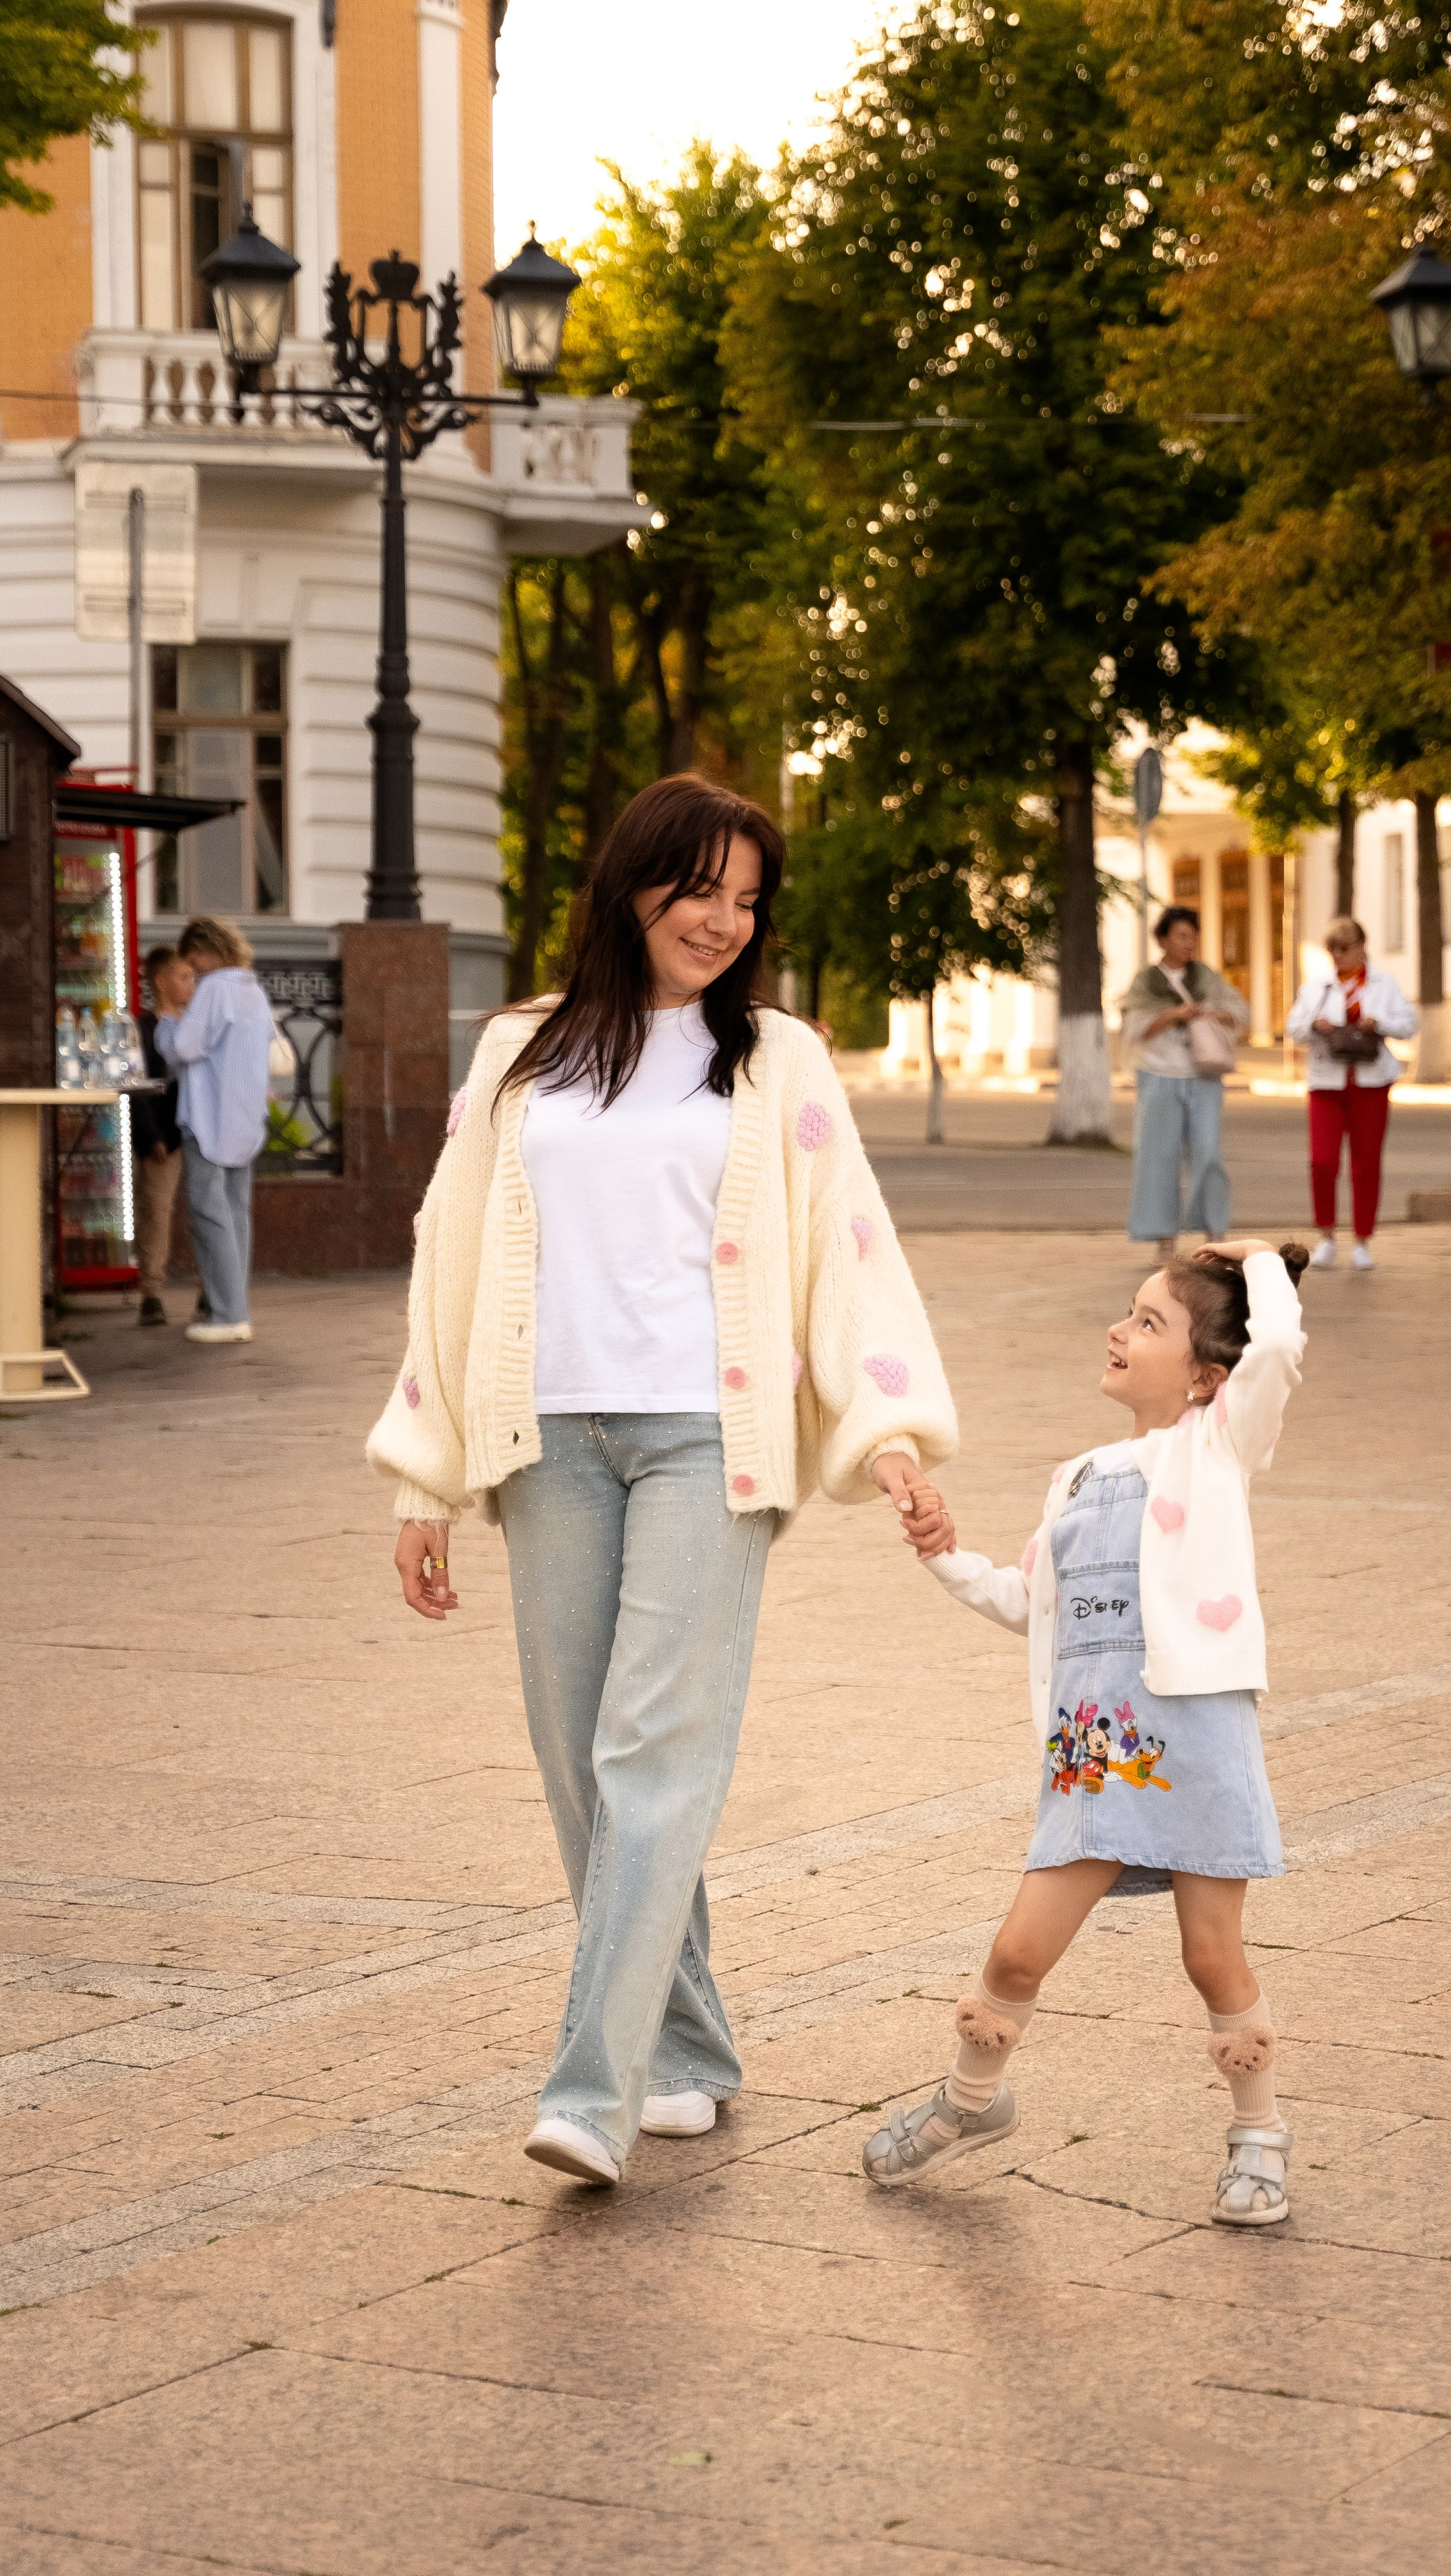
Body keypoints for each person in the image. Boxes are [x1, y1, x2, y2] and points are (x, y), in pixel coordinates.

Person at [367, 774, 958, 2192]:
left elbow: (843, 1251)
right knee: (582, 1764)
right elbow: (445, 1257)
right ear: (631, 883)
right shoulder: (518, 1050)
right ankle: (688, 2050)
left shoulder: (778, 1062)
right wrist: (422, 1483)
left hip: (711, 1437)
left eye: (748, 901)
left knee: (651, 1751)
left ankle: (595, 2088)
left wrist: (884, 1433)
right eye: (701, 888)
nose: (723, 921)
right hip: (544, 1440)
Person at [863, 1237, 1308, 2232]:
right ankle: (970, 2103)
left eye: (1150, 1321)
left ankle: (1259, 2136)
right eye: (1128, 1312)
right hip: (1093, 1755)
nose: (1120, 1329)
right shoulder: (1076, 1476)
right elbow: (1032, 1601)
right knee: (1017, 1955)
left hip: (1195, 1740)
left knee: (1211, 1957)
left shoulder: (1219, 1446)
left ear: (1205, 1377)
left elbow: (1275, 1349)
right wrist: (944, 1557)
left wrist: (1263, 1263)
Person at [154, 914, 278, 1345]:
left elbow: (183, 1048)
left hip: (209, 1117)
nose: (193, 971)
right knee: (236, 1215)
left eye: (192, 962)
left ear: (206, 951)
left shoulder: (213, 989)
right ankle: (233, 1306)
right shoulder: (253, 991)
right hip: (245, 1118)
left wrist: (166, 1023)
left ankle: (229, 1313)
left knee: (209, 1215)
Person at [1286, 915, 1419, 1271]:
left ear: (1362, 947)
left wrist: (1380, 1023)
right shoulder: (1318, 987)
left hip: (1371, 1083)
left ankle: (1362, 1239)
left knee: (1366, 1163)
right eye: (1332, 949)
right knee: (1323, 1161)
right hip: (1327, 1083)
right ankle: (1326, 1235)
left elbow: (1409, 1024)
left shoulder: (1383, 984)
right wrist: (1315, 1025)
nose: (1337, 955)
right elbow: (1293, 1027)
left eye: (1344, 948)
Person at [1121, 904, 1251, 1259]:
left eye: (1193, 936)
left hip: (1204, 1075)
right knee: (1158, 1157)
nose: (1189, 943)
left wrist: (1210, 1012)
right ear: (1162, 938)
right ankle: (1164, 1239)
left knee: (1208, 1152)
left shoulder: (1207, 977)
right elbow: (1135, 1029)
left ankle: (1216, 1235)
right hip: (1158, 1075)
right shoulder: (1146, 981)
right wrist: (1175, 1014)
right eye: (1181, 935)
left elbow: (1239, 1013)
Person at [130, 944, 193, 1329]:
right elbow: (138, 1085)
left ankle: (211, 1292)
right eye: (184, 977)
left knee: (207, 1215)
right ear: (162, 982)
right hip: (163, 1139)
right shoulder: (145, 1028)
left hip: (199, 1134)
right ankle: (151, 1292)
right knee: (156, 1213)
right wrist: (151, 1135)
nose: (191, 985)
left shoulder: (195, 1023)